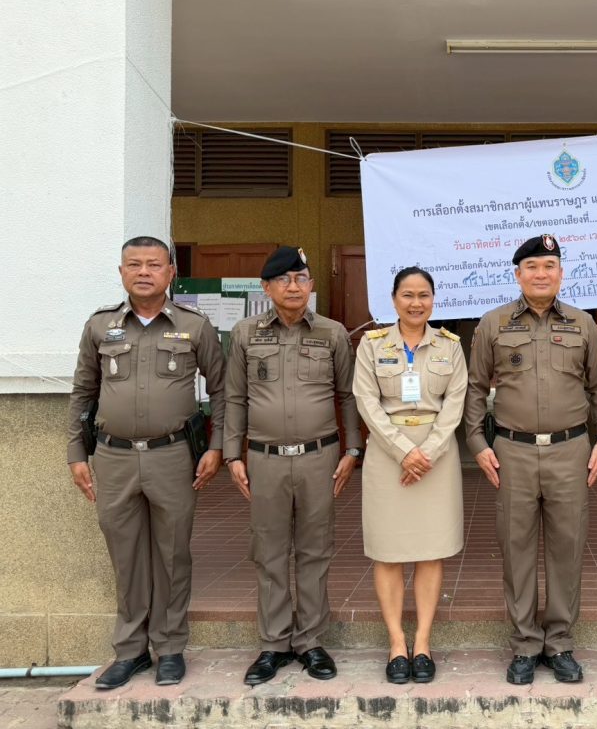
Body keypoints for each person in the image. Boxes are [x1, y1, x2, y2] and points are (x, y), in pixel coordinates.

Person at [67, 236, 225, 689]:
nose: (143, 272)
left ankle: (170, 647)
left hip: (172, 456)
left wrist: (216, 447)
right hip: (113, 457)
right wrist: (76, 452)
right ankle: (130, 651)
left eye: (154, 265)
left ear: (170, 273)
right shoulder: (100, 326)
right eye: (133, 265)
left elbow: (223, 391)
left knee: (172, 554)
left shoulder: (194, 327)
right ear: (121, 273)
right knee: (126, 556)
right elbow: (83, 391)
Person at [465, 234, 597, 686]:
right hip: (512, 451)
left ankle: (560, 643)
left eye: (549, 266)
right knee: (517, 550)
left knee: (568, 548)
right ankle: (526, 644)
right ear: (517, 274)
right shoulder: (493, 323)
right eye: (532, 267)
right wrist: (477, 442)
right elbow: (475, 388)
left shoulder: (584, 324)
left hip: (571, 450)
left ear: (561, 273)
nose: (541, 274)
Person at [223, 246, 362, 685]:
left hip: (320, 458)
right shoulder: (245, 334)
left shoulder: (332, 333)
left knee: (315, 548)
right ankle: (273, 643)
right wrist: (232, 453)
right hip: (264, 459)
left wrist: (353, 450)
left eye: (301, 278)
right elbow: (235, 397)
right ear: (266, 288)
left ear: (312, 285)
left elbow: (348, 396)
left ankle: (310, 641)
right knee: (269, 551)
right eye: (283, 279)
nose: (293, 286)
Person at [353, 267, 467, 684]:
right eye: (407, 295)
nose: (416, 303)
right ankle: (396, 644)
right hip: (388, 456)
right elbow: (366, 401)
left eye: (423, 295)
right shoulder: (371, 345)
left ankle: (422, 643)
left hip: (436, 457)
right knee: (388, 551)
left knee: (430, 550)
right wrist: (404, 452)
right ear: (394, 299)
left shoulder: (450, 346)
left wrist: (427, 453)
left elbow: (455, 403)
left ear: (433, 300)